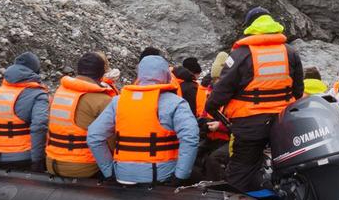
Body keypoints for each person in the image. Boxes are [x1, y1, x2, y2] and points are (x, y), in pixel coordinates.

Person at [205, 7, 304, 193]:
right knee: (287, 168)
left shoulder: (241, 54)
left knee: (241, 171)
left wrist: (216, 112)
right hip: (283, 122)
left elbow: (221, 91)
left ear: (250, 26)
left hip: (249, 125)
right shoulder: (290, 52)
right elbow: (298, 90)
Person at [87, 55, 199, 185]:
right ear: (167, 75)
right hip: (161, 177)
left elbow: (94, 136)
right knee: (198, 174)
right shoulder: (175, 103)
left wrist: (109, 172)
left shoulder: (118, 101)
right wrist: (180, 176)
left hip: (122, 175)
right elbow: (190, 138)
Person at [46, 52, 116, 178]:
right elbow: (113, 143)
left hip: (51, 162)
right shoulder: (102, 100)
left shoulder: (60, 92)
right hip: (82, 166)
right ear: (102, 74)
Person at [195, 52, 231, 180]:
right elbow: (202, 115)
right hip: (211, 137)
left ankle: (218, 188)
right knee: (193, 155)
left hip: (231, 139)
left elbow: (241, 124)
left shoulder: (235, 95)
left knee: (213, 160)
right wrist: (202, 123)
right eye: (215, 79)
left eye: (219, 78)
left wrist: (220, 126)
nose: (217, 82)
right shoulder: (208, 93)